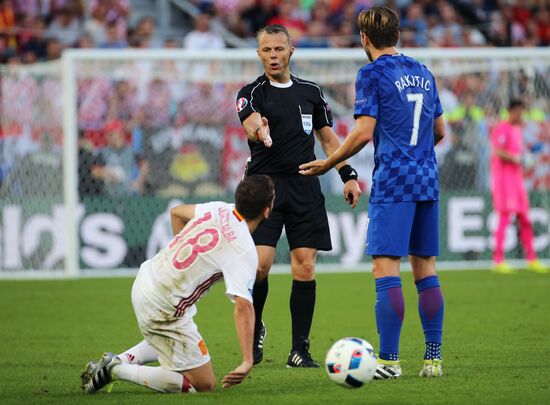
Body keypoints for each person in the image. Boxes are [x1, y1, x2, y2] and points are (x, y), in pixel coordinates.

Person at [299, 7, 446, 379]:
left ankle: (390, 361)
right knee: (425, 269)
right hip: (427, 179)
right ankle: (432, 359)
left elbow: (364, 132)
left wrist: (329, 161)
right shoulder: (424, 72)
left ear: (364, 39)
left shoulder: (371, 73)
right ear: (397, 34)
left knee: (385, 268)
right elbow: (440, 131)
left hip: (395, 181)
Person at [236, 24, 362, 368]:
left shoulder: (310, 92)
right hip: (264, 188)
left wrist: (347, 174)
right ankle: (256, 328)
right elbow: (250, 123)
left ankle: (299, 349)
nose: (273, 56)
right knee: (259, 265)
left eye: (278, 49)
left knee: (305, 266)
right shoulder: (251, 93)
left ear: (290, 52)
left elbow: (328, 139)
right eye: (266, 50)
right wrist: (260, 131)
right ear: (259, 54)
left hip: (306, 184)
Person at [80, 175, 275, 394]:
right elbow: (243, 306)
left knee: (168, 339)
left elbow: (177, 213)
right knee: (203, 385)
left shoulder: (220, 208)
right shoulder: (244, 249)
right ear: (267, 210)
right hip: (162, 304)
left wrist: (181, 258)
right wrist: (248, 359)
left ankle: (118, 360)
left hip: (147, 277)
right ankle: (116, 370)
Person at [490, 99, 548, 274]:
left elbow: (517, 152)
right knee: (505, 216)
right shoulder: (502, 127)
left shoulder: (517, 129)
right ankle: (498, 259)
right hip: (504, 179)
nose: (521, 115)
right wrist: (518, 159)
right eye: (519, 112)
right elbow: (498, 151)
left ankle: (532, 258)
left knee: (525, 218)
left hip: (517, 179)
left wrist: (527, 156)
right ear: (512, 111)